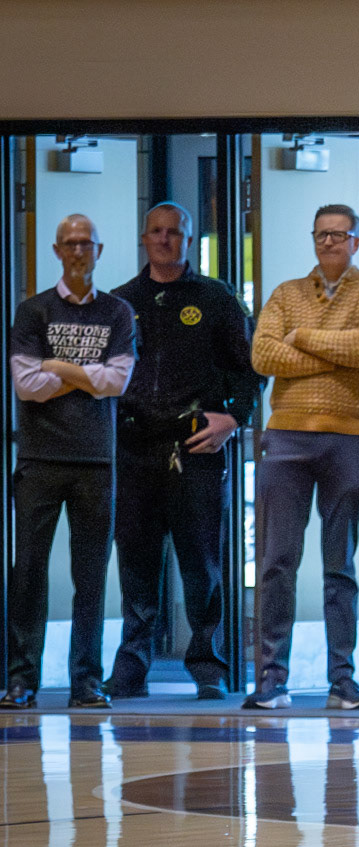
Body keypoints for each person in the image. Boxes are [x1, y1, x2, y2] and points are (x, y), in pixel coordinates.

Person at [103, 202, 260, 701]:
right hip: (134, 449)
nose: (165, 239)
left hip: (197, 448)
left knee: (202, 563)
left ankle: (207, 663)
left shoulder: (216, 299)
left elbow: (250, 369)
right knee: (136, 562)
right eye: (157, 232)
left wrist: (234, 418)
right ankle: (132, 667)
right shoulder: (119, 303)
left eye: (175, 232)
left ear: (189, 241)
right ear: (144, 239)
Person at [245, 205, 359, 710]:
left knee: (341, 566)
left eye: (339, 235)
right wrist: (337, 354)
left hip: (350, 439)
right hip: (285, 439)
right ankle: (271, 679)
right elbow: (263, 356)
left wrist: (303, 339)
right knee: (276, 562)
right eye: (321, 235)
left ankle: (342, 680)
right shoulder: (286, 293)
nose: (329, 242)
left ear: (356, 242)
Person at [0, 215, 136, 710]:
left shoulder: (119, 313)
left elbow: (118, 382)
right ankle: (21, 679)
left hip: (96, 459)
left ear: (99, 250)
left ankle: (86, 681)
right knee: (29, 571)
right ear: (57, 251)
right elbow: (25, 385)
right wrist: (85, 375)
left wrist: (57, 367)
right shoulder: (32, 311)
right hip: (39, 458)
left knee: (91, 576)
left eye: (87, 244)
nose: (79, 251)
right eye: (71, 244)